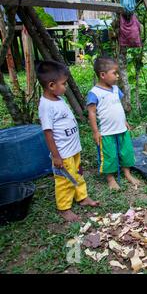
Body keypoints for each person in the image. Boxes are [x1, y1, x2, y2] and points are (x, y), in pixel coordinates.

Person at [37, 61, 100, 222]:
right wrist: (56, 156)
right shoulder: (46, 106)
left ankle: (82, 197)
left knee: (78, 174)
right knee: (65, 180)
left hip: (73, 149)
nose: (66, 87)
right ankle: (64, 208)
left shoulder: (58, 99)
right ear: (51, 85)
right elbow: (48, 134)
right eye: (63, 84)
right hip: (62, 153)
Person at [87, 57, 142, 190]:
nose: (117, 76)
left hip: (121, 129)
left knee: (126, 152)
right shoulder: (94, 93)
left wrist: (125, 121)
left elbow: (118, 107)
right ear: (102, 75)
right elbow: (92, 113)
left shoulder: (116, 89)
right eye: (114, 73)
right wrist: (95, 132)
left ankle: (127, 173)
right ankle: (110, 178)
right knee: (109, 155)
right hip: (106, 132)